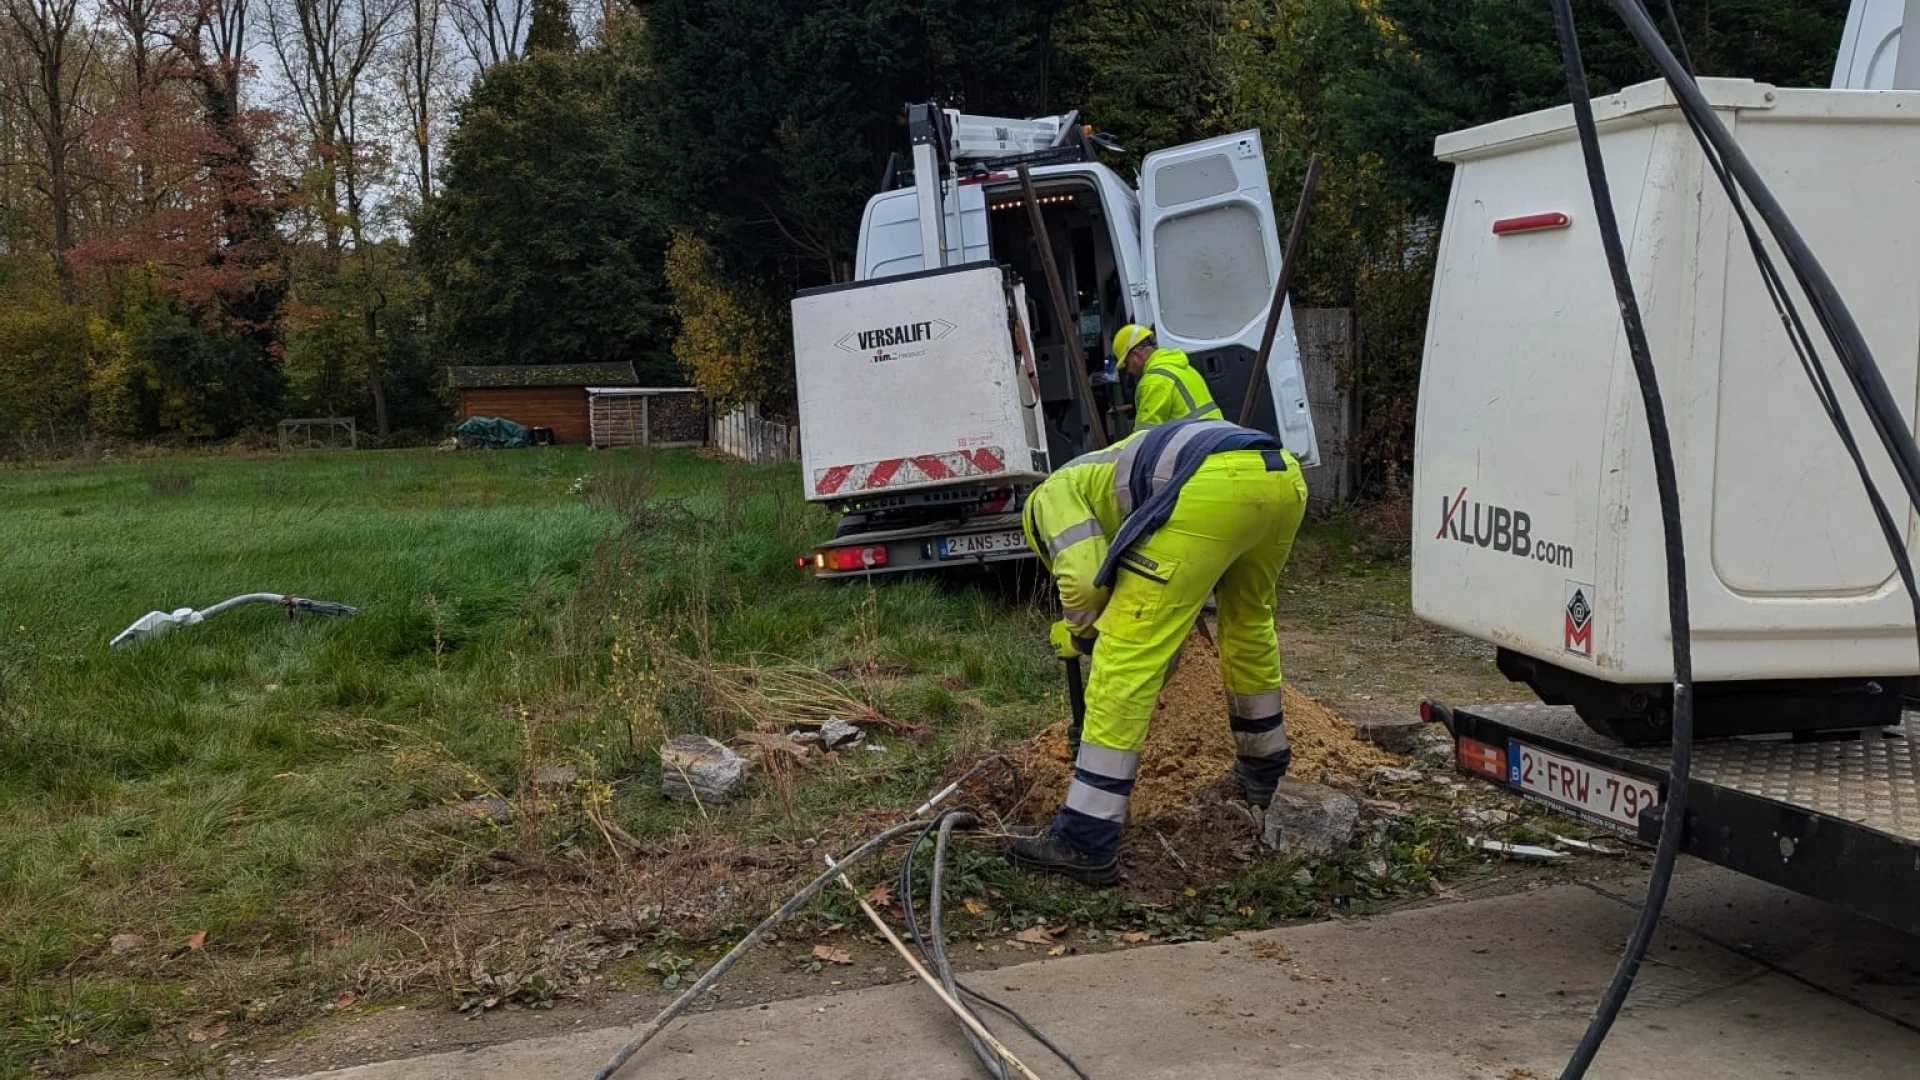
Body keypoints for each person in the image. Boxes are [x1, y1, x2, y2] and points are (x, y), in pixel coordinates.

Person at [1008, 416, 1309, 885]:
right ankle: (1263, 770)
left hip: (1211, 485)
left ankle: (1085, 838)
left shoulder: (1050, 495)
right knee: (1247, 622)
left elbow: (1085, 586)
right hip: (1279, 475)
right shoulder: (1101, 473)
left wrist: (1084, 638)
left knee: (1125, 655)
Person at [1111, 324, 1221, 429]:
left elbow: (1145, 437)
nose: (1129, 370)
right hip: (1221, 440)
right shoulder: (1184, 368)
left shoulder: (1154, 381)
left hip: (1199, 446)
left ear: (1136, 356)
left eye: (1127, 364)